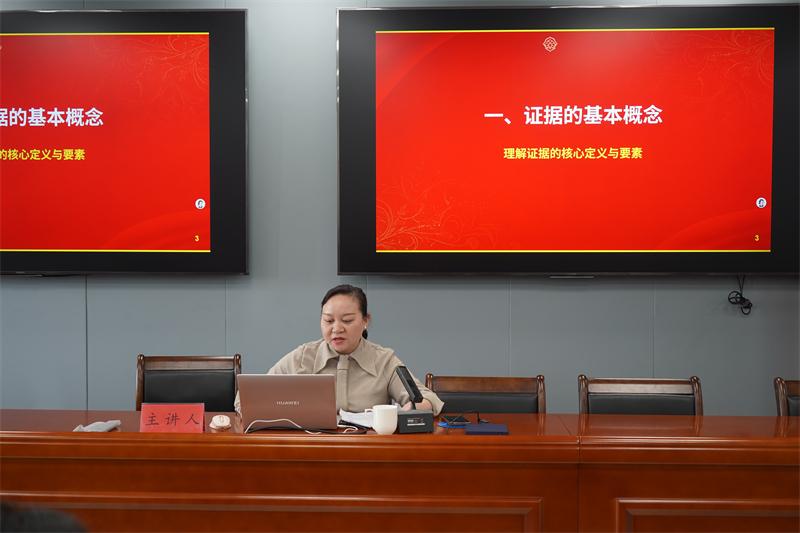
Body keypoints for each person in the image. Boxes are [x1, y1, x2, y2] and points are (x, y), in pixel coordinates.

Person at [235, 284, 443, 415]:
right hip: (309, 453)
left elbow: (429, 399)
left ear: (365, 321)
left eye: (347, 320)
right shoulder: (303, 357)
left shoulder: (384, 360)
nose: (336, 329)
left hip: (367, 453)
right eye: (328, 320)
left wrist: (409, 410)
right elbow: (245, 400)